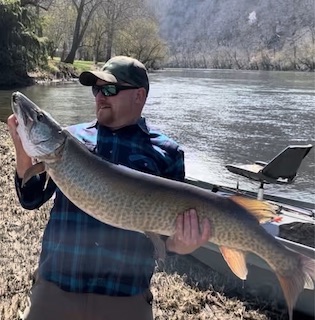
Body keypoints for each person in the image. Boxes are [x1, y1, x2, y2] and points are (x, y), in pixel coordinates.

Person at [7, 56, 211, 320]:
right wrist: (22, 151)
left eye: (110, 89)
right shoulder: (69, 139)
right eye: (96, 89)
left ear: (139, 96)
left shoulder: (167, 153)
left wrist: (182, 244)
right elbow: (30, 199)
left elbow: (167, 242)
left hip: (125, 300)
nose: (101, 95)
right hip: (56, 290)